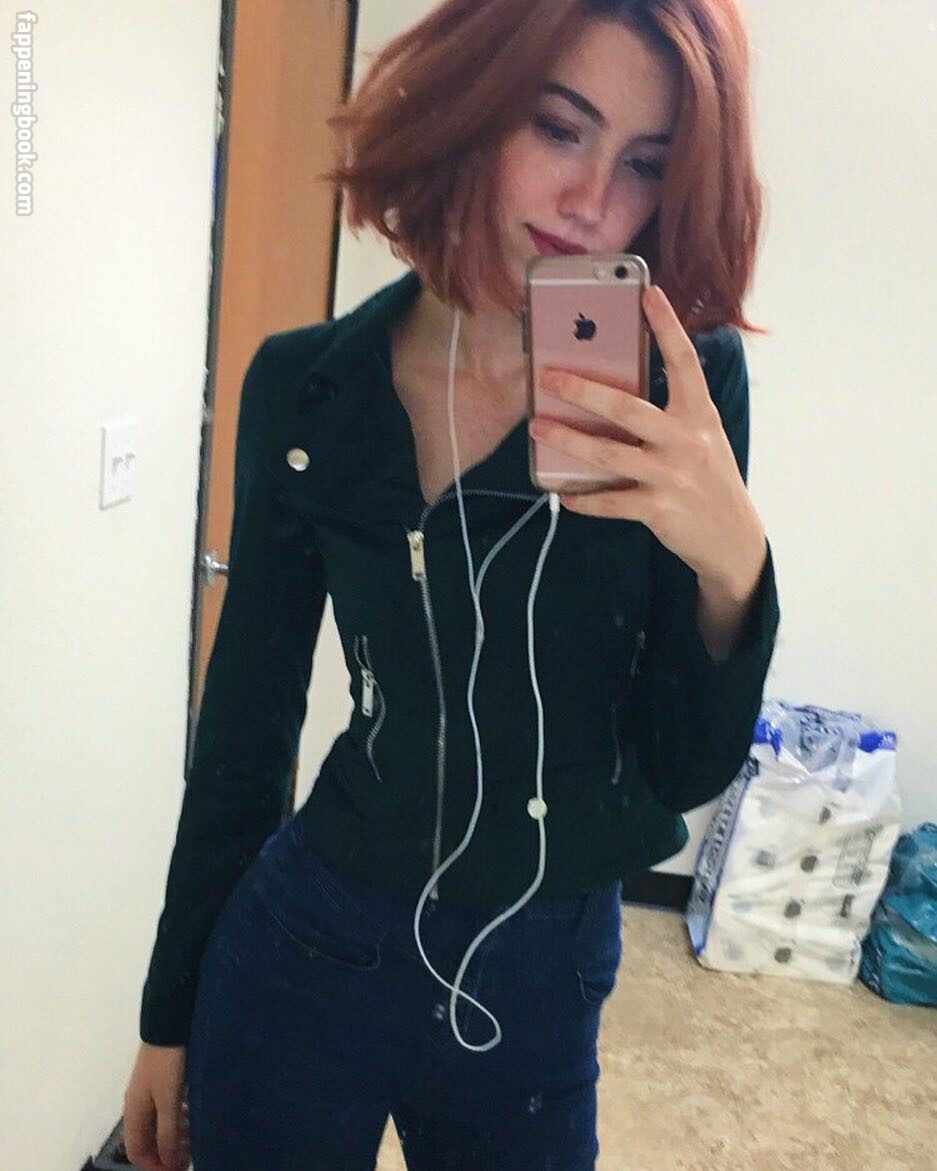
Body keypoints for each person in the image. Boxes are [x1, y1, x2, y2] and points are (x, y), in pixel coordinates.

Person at [123, 1, 780, 1168]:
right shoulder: (309, 389)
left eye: (643, 163)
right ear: (472, 107)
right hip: (306, 939)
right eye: (558, 127)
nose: (592, 200)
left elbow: (681, 768)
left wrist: (734, 565)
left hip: (540, 970)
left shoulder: (678, 384)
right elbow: (243, 732)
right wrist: (166, 1018)